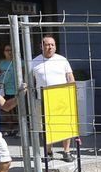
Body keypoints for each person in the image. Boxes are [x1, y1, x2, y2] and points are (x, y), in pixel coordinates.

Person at [29, 35, 77, 163]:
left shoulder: (62, 60)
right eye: (47, 44)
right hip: (43, 99)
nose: (50, 47)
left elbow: (70, 78)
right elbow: (30, 83)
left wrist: (71, 96)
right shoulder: (34, 62)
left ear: (55, 47)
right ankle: (48, 152)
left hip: (61, 99)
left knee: (65, 126)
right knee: (46, 127)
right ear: (41, 46)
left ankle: (66, 152)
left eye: (52, 45)